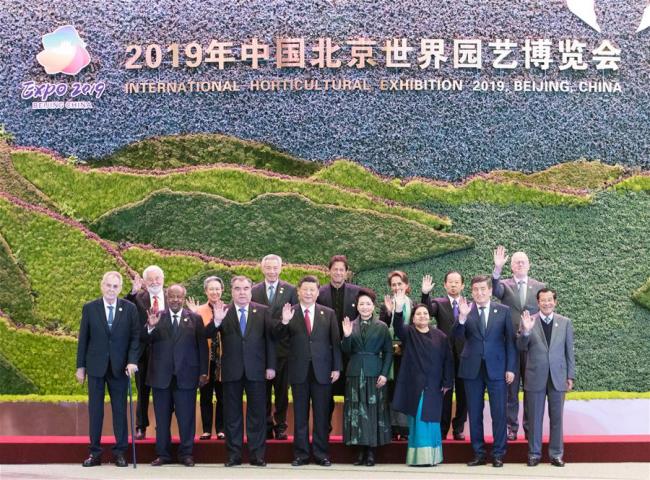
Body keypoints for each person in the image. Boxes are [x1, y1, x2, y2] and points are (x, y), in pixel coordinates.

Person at [206, 276, 276, 467]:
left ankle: (257, 456)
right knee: (232, 415)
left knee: (258, 415)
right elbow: (206, 335)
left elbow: (270, 341)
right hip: (231, 371)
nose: (242, 292)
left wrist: (271, 366)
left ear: (251, 290)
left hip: (257, 371)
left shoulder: (262, 311)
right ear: (232, 291)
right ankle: (233, 456)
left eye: (246, 288)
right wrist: (217, 322)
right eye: (238, 289)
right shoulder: (223, 311)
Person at [275, 275, 342, 467]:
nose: (309, 293)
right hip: (298, 371)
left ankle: (321, 454)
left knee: (321, 415)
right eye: (305, 290)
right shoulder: (290, 312)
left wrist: (336, 367)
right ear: (299, 291)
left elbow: (335, 342)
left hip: (323, 371)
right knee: (300, 415)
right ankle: (301, 455)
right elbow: (278, 337)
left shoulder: (328, 313)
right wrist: (284, 322)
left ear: (318, 292)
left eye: (312, 290)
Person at [76, 271, 139, 467]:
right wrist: (80, 367)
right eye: (108, 285)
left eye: (115, 286)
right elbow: (83, 339)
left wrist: (132, 361)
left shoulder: (129, 309)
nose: (111, 289)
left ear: (120, 289)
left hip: (120, 368)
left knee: (120, 411)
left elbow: (135, 337)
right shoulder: (90, 308)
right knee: (96, 412)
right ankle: (94, 453)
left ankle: (119, 452)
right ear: (102, 286)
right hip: (95, 367)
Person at [453, 275, 516, 467]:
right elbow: (456, 336)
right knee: (475, 412)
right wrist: (461, 318)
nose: (479, 293)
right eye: (475, 290)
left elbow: (511, 342)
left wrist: (511, 368)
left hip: (497, 368)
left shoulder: (503, 311)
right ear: (471, 292)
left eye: (483, 289)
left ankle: (498, 453)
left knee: (499, 412)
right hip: (472, 368)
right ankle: (479, 453)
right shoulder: (465, 309)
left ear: (490, 290)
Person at [142, 284, 208, 467]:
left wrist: (204, 372)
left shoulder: (195, 319)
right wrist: (150, 328)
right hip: (161, 378)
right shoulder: (156, 317)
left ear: (184, 297)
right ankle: (163, 454)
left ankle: (186, 454)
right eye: (172, 296)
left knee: (186, 419)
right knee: (162, 421)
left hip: (186, 377)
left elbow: (202, 347)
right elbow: (144, 342)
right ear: (167, 296)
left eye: (179, 297)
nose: (175, 300)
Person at [492, 245, 546, 440]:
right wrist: (497, 269)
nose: (520, 264)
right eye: (516, 262)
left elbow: (545, 311)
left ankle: (530, 428)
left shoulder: (539, 286)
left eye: (523, 261)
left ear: (529, 265)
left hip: (532, 345)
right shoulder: (504, 285)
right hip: (510, 345)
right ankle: (511, 428)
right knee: (511, 389)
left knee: (531, 389)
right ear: (512, 266)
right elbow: (495, 289)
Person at [517, 289, 575, 467]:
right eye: (543, 300)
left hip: (558, 376)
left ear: (555, 302)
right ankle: (534, 454)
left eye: (550, 300)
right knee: (534, 418)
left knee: (557, 418)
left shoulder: (565, 322)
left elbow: (569, 351)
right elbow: (520, 346)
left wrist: (570, 375)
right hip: (535, 375)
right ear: (538, 302)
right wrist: (525, 331)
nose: (547, 303)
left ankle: (556, 454)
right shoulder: (528, 321)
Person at [391, 300, 453, 466]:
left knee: (432, 421)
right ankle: (418, 458)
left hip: (434, 385)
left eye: (425, 313)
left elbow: (448, 360)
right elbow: (397, 327)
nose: (422, 316)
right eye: (418, 314)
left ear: (430, 317)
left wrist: (447, 382)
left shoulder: (440, 336)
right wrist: (397, 311)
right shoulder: (409, 332)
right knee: (418, 420)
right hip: (414, 386)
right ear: (413, 318)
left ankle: (434, 457)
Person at [341, 288, 392, 466]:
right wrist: (346, 336)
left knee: (373, 410)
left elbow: (388, 352)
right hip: (354, 373)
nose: (364, 307)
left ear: (373, 306)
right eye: (361, 304)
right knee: (355, 409)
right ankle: (359, 451)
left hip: (374, 372)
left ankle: (371, 451)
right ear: (357, 306)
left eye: (368, 304)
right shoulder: (349, 324)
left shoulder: (382, 326)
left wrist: (385, 374)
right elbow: (345, 350)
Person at [251, 254, 298, 440]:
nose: (271, 271)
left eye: (275, 268)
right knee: (262, 391)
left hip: (282, 350)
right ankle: (266, 425)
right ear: (262, 269)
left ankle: (280, 426)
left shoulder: (290, 290)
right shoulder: (254, 290)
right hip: (259, 350)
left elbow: (293, 318)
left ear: (280, 268)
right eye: (268, 268)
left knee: (281, 392)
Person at [421, 271, 468, 440]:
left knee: (464, 394)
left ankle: (458, 428)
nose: (454, 285)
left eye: (457, 282)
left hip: (465, 356)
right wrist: (425, 294)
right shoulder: (438, 303)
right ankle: (442, 429)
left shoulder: (468, 305)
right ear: (445, 285)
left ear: (462, 285)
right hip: (444, 355)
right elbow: (426, 310)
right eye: (450, 282)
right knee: (445, 392)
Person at [317, 255, 361, 427]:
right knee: (326, 393)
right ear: (329, 271)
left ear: (346, 272)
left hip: (350, 351)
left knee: (351, 392)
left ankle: (351, 429)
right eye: (334, 269)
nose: (338, 272)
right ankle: (325, 428)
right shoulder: (320, 293)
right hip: (326, 352)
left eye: (341, 269)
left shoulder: (356, 292)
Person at [125, 264, 166, 440]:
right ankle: (141, 426)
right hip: (143, 352)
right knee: (143, 391)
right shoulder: (138, 298)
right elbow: (124, 307)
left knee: (163, 392)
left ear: (163, 280)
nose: (154, 282)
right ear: (145, 282)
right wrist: (133, 292)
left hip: (165, 352)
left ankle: (162, 426)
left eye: (157, 278)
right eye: (150, 279)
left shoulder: (171, 296)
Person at [186, 276, 226, 440]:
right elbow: (194, 336)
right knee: (205, 396)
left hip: (223, 360)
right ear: (206, 291)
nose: (214, 292)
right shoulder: (198, 311)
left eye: (217, 288)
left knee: (223, 396)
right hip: (205, 360)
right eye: (211, 289)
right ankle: (207, 429)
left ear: (222, 290)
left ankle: (221, 429)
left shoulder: (228, 309)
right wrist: (193, 315)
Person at [378, 270, 414, 440]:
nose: (397, 287)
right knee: (391, 391)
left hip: (407, 353)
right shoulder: (385, 304)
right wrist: (390, 313)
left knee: (405, 389)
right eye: (393, 284)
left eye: (400, 283)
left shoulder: (413, 305)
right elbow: (381, 328)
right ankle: (392, 427)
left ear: (406, 285)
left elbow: (416, 329)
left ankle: (405, 428)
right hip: (389, 354)